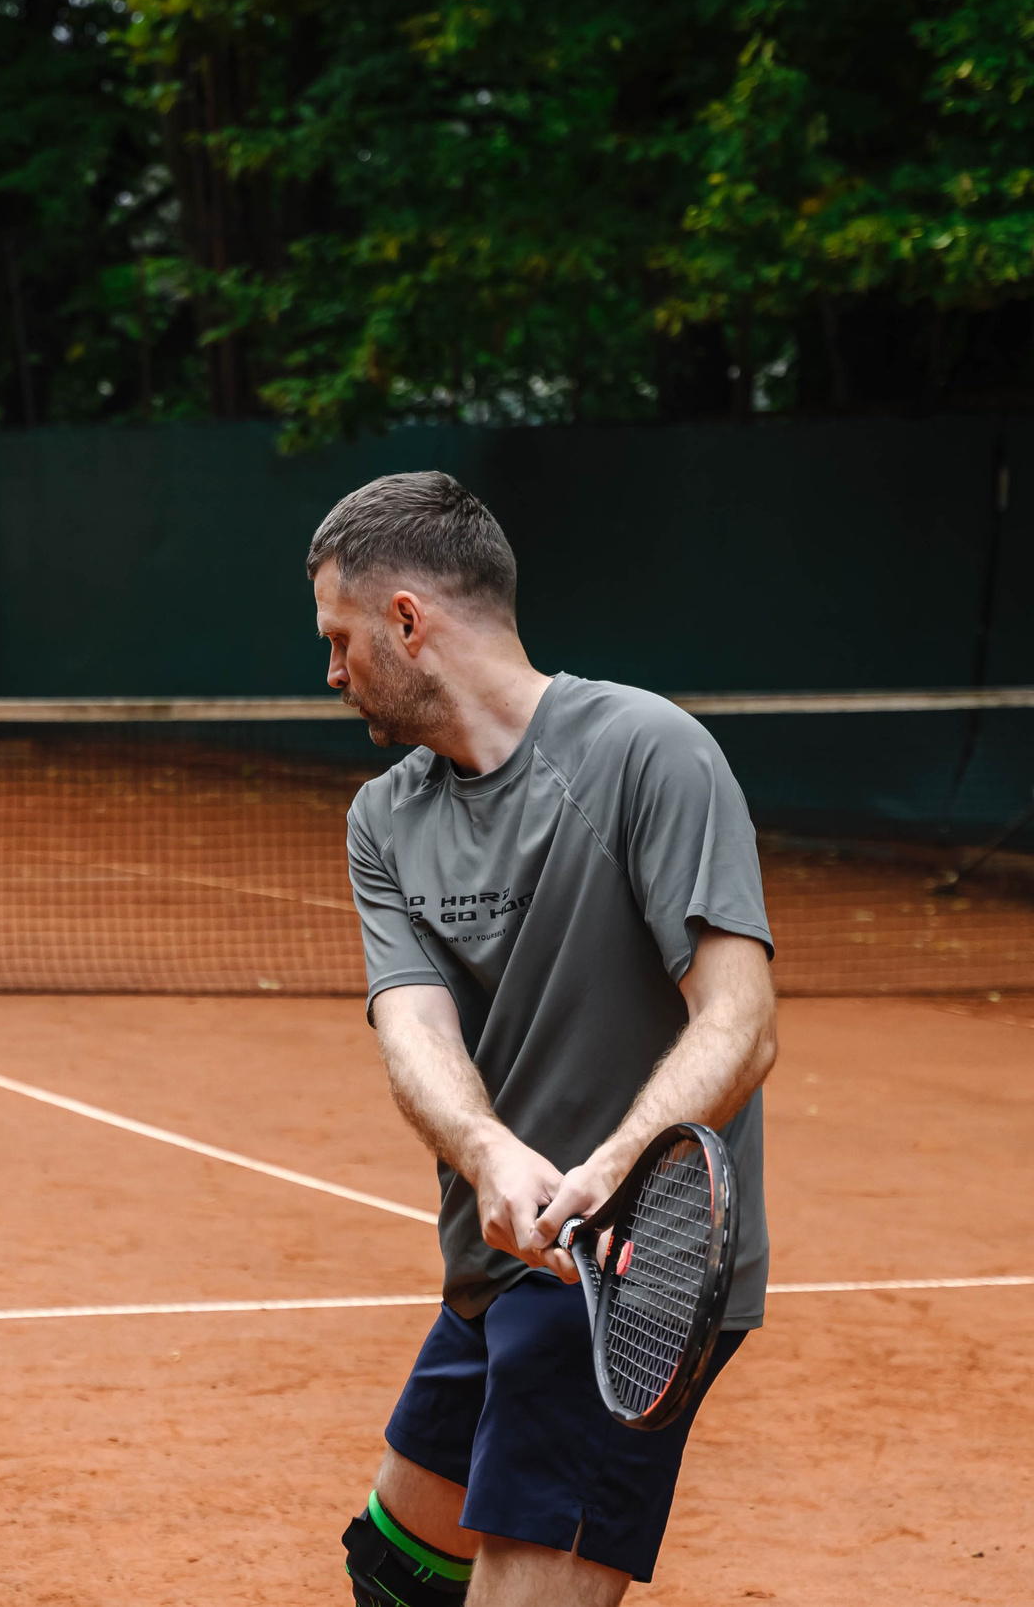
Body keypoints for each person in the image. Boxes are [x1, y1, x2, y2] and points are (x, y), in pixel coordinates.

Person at [311, 473, 776, 1607]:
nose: (330, 671)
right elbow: (414, 1029)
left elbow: (739, 1017)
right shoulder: (385, 815)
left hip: (629, 1268)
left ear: (407, 620)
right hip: (498, 1256)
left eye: (339, 637)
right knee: (397, 1567)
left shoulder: (646, 751)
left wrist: (609, 1172)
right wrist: (486, 1152)